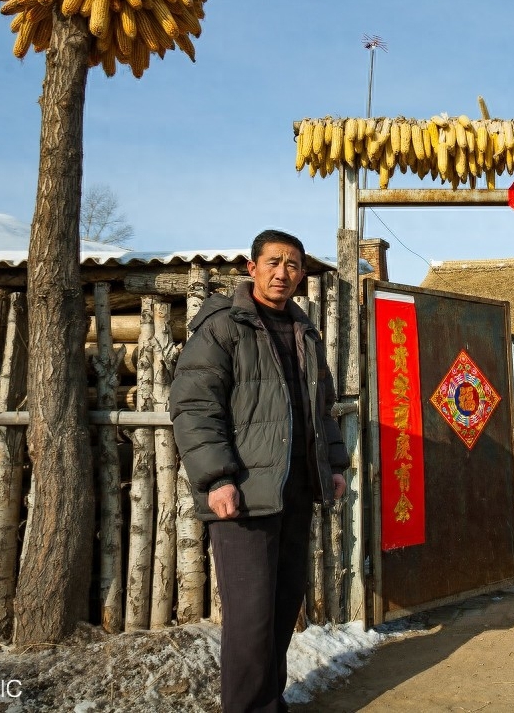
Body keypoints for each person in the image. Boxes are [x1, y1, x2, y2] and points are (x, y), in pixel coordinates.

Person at [171, 229, 350, 713]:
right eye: (274, 262)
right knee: (250, 619)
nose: (283, 273)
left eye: (292, 265)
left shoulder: (302, 330)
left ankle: (269, 702)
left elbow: (322, 406)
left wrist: (333, 464)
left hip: (293, 490)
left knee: (281, 607)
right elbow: (193, 406)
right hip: (244, 492)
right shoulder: (224, 326)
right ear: (251, 268)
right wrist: (216, 478)